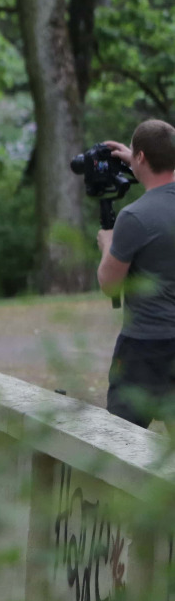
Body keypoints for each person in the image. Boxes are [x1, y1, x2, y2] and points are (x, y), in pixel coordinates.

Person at [97, 119, 175, 427]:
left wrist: (107, 243)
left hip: (144, 347)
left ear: (141, 157)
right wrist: (137, 158)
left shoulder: (134, 217)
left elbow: (109, 285)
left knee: (122, 438)